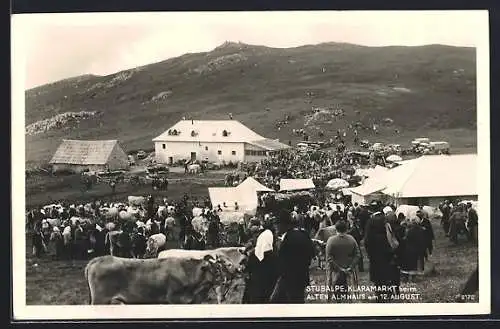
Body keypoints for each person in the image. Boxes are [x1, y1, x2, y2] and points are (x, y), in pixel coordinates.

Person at [270, 211, 315, 303]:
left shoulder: (287, 239)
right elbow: (312, 253)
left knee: (280, 302)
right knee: (298, 300)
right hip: (302, 276)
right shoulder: (304, 233)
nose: (276, 227)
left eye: (277, 224)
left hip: (289, 279)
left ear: (284, 224)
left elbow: (282, 261)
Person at [363, 203, 401, 302]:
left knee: (378, 277)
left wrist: (369, 253)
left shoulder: (369, 222)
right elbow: (393, 235)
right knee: (387, 274)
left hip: (375, 253)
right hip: (387, 252)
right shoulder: (386, 220)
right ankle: (388, 294)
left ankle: (379, 295)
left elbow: (366, 241)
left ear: (371, 211)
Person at [242, 223, 279, 303]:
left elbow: (247, 271)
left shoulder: (254, 254)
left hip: (255, 290)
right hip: (269, 290)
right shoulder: (275, 255)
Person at [325, 220, 360, 302]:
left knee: (335, 289)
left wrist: (339, 268)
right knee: (349, 291)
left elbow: (329, 258)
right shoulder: (351, 239)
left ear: (335, 229)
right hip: (349, 269)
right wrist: (350, 267)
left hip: (335, 271)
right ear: (346, 229)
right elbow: (357, 255)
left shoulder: (331, 240)